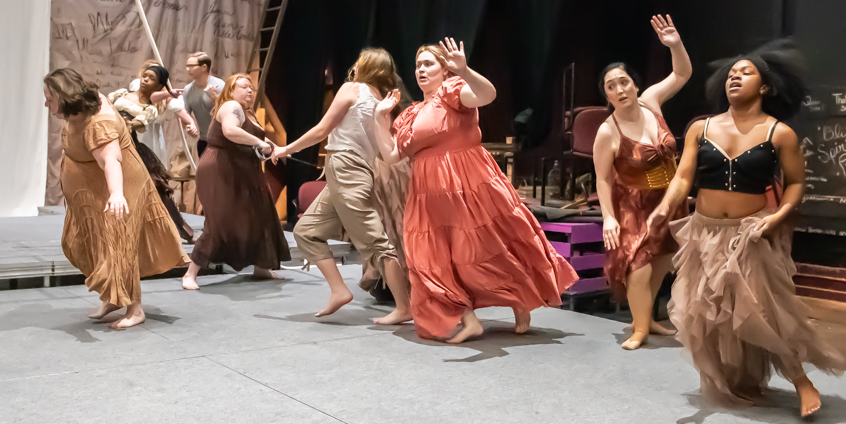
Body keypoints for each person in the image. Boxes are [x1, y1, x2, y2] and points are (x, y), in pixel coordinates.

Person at [647, 41, 844, 419]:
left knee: (764, 311)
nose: (735, 78)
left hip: (750, 234)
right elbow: (683, 176)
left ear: (765, 86)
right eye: (731, 74)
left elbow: (796, 183)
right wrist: (664, 206)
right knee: (707, 312)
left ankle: (802, 381)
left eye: (745, 73)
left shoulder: (779, 133)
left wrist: (779, 214)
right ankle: (731, 378)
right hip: (704, 234)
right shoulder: (701, 128)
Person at [373, 38, 578, 344]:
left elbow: (487, 95)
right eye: (417, 65)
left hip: (468, 183)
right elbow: (391, 155)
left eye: (428, 63)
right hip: (428, 193)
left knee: (485, 247)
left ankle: (518, 299)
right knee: (432, 258)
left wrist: (465, 70)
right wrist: (380, 118)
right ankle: (468, 319)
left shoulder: (453, 92)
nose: (421, 70)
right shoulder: (411, 114)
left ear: (444, 69)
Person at [272, 48, 413, 324]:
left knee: (377, 243)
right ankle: (339, 290)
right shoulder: (381, 101)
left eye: (359, 61)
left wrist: (286, 149)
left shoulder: (353, 89)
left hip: (347, 169)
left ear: (366, 66)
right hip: (352, 171)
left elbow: (322, 130)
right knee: (306, 231)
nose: (354, 66)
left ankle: (404, 307)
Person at [43, 67, 187, 329]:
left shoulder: (99, 123)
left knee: (119, 244)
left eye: (49, 98)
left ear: (64, 96)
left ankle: (135, 309)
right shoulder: (81, 108)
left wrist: (117, 194)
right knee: (99, 244)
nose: (46, 104)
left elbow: (111, 160)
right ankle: (113, 297)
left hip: (118, 185)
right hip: (94, 190)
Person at [593, 14, 693, 350]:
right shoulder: (608, 131)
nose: (619, 89)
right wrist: (608, 217)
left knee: (663, 260)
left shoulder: (651, 102)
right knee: (638, 266)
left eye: (623, 82)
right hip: (634, 205)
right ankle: (638, 329)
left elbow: (682, 74)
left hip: (671, 198)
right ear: (607, 96)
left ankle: (646, 317)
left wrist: (674, 45)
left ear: (635, 85)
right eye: (610, 87)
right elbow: (602, 179)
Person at [182, 74, 290, 289]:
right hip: (222, 168)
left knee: (259, 215)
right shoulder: (232, 106)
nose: (249, 90)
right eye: (244, 87)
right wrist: (259, 142)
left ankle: (262, 266)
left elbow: (251, 136)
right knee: (220, 221)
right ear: (231, 90)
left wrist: (272, 147)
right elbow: (230, 131)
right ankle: (190, 274)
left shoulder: (247, 111)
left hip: (244, 169)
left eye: (251, 87)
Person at [109, 63, 197, 241]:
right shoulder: (120, 94)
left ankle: (176, 224)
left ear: (159, 85)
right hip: (109, 143)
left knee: (155, 186)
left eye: (151, 78)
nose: (145, 80)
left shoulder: (150, 108)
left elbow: (140, 123)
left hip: (131, 148)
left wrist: (190, 122)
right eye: (145, 76)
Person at [182, 51, 226, 157]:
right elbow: (184, 114)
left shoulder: (219, 85)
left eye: (192, 66)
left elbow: (228, 112)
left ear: (204, 67)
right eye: (187, 66)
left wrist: (214, 97)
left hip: (223, 141)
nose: (188, 69)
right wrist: (189, 126)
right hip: (204, 140)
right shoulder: (188, 90)